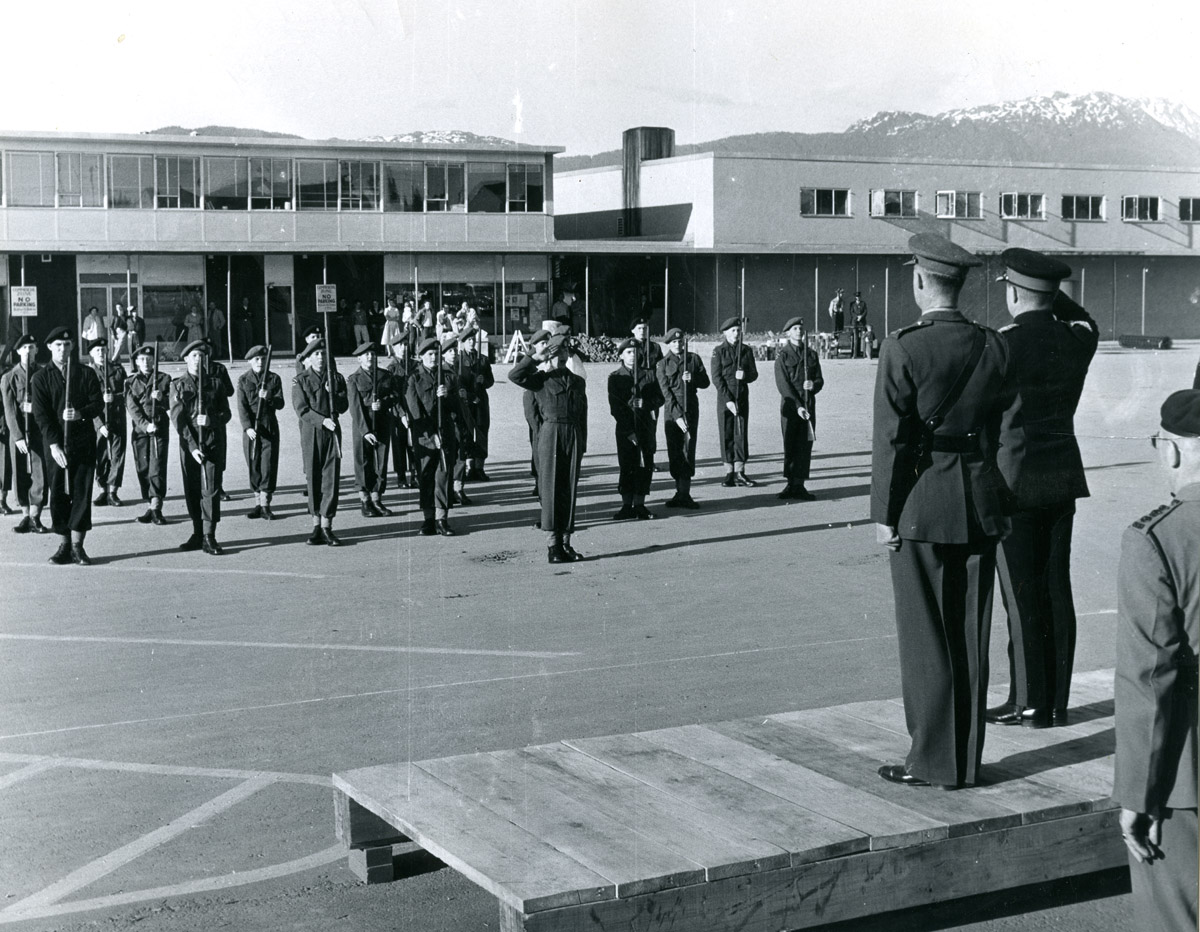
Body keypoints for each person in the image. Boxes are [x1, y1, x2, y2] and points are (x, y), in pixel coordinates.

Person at [871, 233, 1019, 790]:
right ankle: (965, 761)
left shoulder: (904, 347)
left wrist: (882, 514)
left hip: (920, 507)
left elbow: (889, 441)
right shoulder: (993, 346)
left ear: (918, 281)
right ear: (959, 285)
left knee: (925, 636)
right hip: (979, 503)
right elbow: (1007, 431)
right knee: (969, 634)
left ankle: (931, 762)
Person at [987, 249, 1098, 729]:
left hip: (1015, 482)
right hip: (1063, 478)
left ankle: (1027, 702)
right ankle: (1054, 702)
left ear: (1012, 292)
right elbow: (1084, 318)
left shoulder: (1003, 343)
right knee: (1056, 589)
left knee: (1021, 596)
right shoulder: (1077, 339)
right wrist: (1053, 301)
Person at [1114, 389, 1199, 932]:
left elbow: (1149, 679)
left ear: (1170, 450)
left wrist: (1136, 794)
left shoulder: (1159, 539)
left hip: (1187, 780)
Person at [509, 334, 587, 563]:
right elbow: (514, 375)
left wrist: (582, 443)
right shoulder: (539, 380)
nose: (562, 356)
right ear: (549, 354)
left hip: (572, 435)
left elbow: (583, 414)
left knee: (569, 489)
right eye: (557, 351)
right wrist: (534, 357)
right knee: (551, 489)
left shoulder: (578, 382)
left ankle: (566, 543)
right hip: (550, 434)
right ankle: (553, 546)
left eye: (565, 352)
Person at [31, 327, 104, 565]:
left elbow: (97, 404)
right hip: (56, 448)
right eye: (58, 346)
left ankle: (77, 546)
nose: (63, 350)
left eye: (67, 345)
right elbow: (42, 416)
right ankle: (63, 545)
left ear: (72, 346)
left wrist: (80, 414)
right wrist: (53, 445)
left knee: (82, 494)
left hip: (82, 444)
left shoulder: (85, 373)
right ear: (50, 347)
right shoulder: (41, 378)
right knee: (59, 495)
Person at [171, 340, 231, 555]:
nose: (198, 360)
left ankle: (209, 535)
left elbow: (227, 413)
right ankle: (197, 532)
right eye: (194, 355)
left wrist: (212, 420)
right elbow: (178, 419)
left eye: (202, 356)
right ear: (186, 358)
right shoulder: (178, 385)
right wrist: (193, 446)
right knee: (193, 489)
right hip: (190, 447)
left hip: (213, 444)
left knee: (211, 490)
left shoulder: (216, 384)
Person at [293, 339, 348, 546]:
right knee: (313, 478)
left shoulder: (335, 378)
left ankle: (327, 525)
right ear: (307, 359)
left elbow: (343, 406)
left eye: (323, 354)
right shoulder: (300, 381)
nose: (320, 357)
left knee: (330, 479)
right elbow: (302, 409)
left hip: (332, 433)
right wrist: (322, 420)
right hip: (312, 433)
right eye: (316, 354)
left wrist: (332, 392)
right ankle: (316, 524)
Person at [406, 336, 462, 536]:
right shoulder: (414, 379)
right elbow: (415, 412)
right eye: (429, 354)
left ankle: (442, 518)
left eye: (436, 354)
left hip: (445, 433)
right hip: (425, 437)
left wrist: (447, 396)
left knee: (443, 476)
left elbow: (457, 408)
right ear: (421, 357)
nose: (434, 358)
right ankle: (428, 519)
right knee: (426, 477)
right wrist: (430, 434)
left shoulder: (448, 377)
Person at [608, 337, 664, 520]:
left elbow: (660, 399)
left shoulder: (649, 374)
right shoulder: (616, 377)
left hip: (645, 428)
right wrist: (628, 431)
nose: (632, 355)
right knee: (627, 465)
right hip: (626, 430)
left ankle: (640, 504)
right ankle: (626, 505)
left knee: (645, 465)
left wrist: (646, 403)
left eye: (635, 352)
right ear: (622, 355)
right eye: (628, 352)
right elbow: (615, 408)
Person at [656, 328, 709, 509]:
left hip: (691, 409)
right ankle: (679, 492)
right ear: (668, 344)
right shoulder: (663, 364)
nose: (677, 344)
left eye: (680, 341)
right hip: (672, 411)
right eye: (673, 342)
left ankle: (685, 493)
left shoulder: (693, 359)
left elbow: (706, 382)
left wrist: (692, 378)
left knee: (688, 449)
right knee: (675, 450)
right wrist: (677, 416)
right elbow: (666, 393)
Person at [2, 334, 48, 533]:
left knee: (39, 473)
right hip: (19, 432)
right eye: (25, 348)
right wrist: (18, 436)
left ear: (37, 350)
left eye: (32, 347)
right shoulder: (9, 377)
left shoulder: (44, 374)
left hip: (39, 431)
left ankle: (35, 516)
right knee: (20, 472)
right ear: (18, 351)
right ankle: (25, 515)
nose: (29, 351)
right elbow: (9, 410)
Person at [775, 317, 825, 501]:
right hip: (790, 407)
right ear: (788, 333)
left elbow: (820, 380)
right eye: (794, 328)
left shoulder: (811, 355)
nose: (798, 331)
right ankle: (790, 484)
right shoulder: (783, 356)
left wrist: (813, 385)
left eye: (800, 328)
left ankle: (800, 484)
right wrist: (797, 406)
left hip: (808, 405)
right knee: (790, 444)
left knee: (805, 445)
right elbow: (783, 385)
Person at [346, 341, 397, 518]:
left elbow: (394, 396)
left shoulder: (385, 376)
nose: (370, 357)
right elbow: (355, 408)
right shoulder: (354, 379)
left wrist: (383, 403)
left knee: (381, 462)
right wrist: (365, 431)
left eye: (373, 354)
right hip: (363, 426)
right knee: (363, 462)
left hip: (382, 422)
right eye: (366, 355)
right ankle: (365, 500)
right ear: (359, 359)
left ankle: (377, 499)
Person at [237, 345, 285, 520]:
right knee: (254, 464)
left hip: (269, 427)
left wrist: (269, 397)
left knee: (268, 465)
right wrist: (247, 427)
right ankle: (257, 502)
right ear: (250, 361)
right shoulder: (243, 380)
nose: (260, 362)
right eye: (256, 359)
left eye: (263, 359)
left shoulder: (274, 379)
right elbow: (241, 407)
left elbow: (280, 403)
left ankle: (266, 504)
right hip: (251, 429)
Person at [126, 343, 171, 526]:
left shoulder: (164, 379)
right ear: (137, 362)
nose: (146, 362)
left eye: (150, 359)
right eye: (142, 359)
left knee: (157, 468)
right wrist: (145, 426)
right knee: (143, 468)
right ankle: (149, 504)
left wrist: (162, 398)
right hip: (141, 431)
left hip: (159, 428)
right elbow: (132, 408)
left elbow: (173, 403)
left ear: (154, 361)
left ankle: (156, 507)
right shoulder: (130, 382)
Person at [711, 316, 759, 487]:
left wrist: (745, 375)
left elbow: (754, 374)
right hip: (725, 398)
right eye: (733, 331)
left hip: (742, 397)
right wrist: (728, 401)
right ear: (725, 333)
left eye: (738, 331)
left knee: (740, 433)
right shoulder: (719, 351)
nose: (736, 334)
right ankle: (729, 472)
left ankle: (740, 471)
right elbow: (716, 378)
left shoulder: (746, 351)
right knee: (726, 433)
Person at [88, 337, 128, 507]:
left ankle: (113, 491)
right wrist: (99, 424)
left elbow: (128, 393)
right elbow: (85, 401)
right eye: (97, 351)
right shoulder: (88, 373)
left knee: (118, 454)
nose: (101, 354)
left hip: (117, 417)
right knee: (100, 455)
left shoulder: (118, 370)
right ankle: (102, 489)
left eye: (103, 351)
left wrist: (115, 398)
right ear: (91, 354)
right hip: (98, 420)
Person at [457, 328, 494, 482]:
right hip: (465, 402)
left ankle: (479, 468)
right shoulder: (458, 361)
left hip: (481, 403)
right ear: (463, 343)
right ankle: (468, 467)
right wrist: (470, 396)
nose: (471, 342)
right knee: (465, 433)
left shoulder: (483, 359)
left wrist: (483, 381)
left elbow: (490, 381)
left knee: (481, 433)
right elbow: (458, 383)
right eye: (468, 340)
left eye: (473, 340)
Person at [523, 329, 551, 500]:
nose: (545, 346)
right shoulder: (531, 366)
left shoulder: (551, 361)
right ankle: (539, 482)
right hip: (539, 421)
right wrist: (537, 427)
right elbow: (530, 405)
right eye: (542, 343)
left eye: (547, 343)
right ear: (534, 346)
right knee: (538, 450)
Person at [850, 291, 868, 358]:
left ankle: (863, 354)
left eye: (859, 296)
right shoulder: (853, 304)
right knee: (855, 339)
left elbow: (865, 311)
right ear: (855, 297)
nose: (858, 298)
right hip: (855, 322)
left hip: (862, 322)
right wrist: (856, 317)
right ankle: (854, 354)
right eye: (857, 297)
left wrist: (861, 317)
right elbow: (851, 312)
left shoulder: (863, 303)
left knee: (863, 338)